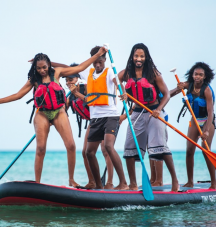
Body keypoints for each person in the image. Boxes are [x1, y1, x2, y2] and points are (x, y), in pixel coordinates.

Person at [0, 48, 107, 185]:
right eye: (39, 68)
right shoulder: (34, 80)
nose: (42, 71)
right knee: (41, 148)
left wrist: (97, 54)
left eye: (44, 67)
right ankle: (37, 183)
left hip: (59, 112)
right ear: (35, 68)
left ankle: (71, 179)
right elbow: (17, 95)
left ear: (49, 65)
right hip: (42, 113)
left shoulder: (57, 72)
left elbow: (80, 67)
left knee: (71, 145)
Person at [118, 43, 179, 191]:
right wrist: (123, 92)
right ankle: (132, 184)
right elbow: (116, 79)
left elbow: (167, 94)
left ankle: (175, 181)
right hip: (137, 113)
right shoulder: (127, 73)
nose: (139, 59)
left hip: (154, 113)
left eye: (142, 56)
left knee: (160, 148)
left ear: (146, 57)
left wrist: (159, 109)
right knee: (129, 148)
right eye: (136, 56)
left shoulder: (153, 73)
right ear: (132, 57)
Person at [63, 64, 114, 189]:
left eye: (71, 80)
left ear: (78, 78)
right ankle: (92, 181)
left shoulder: (86, 87)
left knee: (106, 150)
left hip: (104, 118)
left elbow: (89, 100)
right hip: (93, 122)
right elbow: (63, 111)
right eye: (66, 81)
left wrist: (77, 92)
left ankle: (109, 183)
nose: (68, 83)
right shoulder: (69, 96)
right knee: (85, 152)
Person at [83, 46, 128, 190]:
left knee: (108, 146)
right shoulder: (88, 73)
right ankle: (98, 185)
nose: (97, 65)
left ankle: (123, 183)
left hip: (111, 116)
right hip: (95, 118)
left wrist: (124, 92)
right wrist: (51, 63)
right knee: (89, 152)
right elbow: (70, 68)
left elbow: (118, 82)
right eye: (95, 62)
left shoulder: (109, 72)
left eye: (100, 62)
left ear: (105, 60)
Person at [170, 62, 216, 189]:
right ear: (192, 75)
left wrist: (206, 131)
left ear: (205, 77)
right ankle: (190, 181)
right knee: (189, 150)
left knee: (205, 150)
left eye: (201, 75)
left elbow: (210, 112)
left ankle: (214, 183)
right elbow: (169, 94)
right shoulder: (187, 85)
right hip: (194, 120)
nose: (197, 77)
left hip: (207, 121)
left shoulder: (207, 90)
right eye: (196, 74)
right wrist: (177, 88)